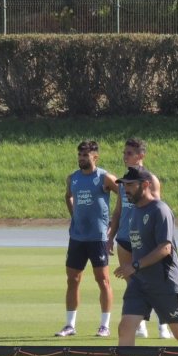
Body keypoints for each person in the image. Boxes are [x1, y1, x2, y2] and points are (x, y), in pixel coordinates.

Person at [91, 167, 178, 356]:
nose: (125, 190)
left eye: (130, 185)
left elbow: (165, 248)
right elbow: (132, 244)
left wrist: (134, 266)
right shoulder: (134, 212)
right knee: (126, 327)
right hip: (140, 283)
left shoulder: (160, 210)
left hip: (164, 283)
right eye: (124, 185)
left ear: (145, 185)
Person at [107, 138, 172, 339]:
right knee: (132, 283)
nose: (125, 156)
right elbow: (118, 211)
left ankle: (163, 325)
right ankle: (140, 325)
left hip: (144, 240)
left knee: (154, 283)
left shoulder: (150, 180)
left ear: (141, 155)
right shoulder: (123, 181)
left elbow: (156, 211)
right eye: (124, 153)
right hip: (125, 238)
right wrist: (110, 237)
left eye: (129, 153)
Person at [55, 140, 118, 337]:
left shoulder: (105, 178)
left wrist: (114, 223)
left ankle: (104, 325)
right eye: (80, 155)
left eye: (85, 155)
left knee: (103, 280)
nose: (81, 159)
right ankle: (70, 325)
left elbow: (124, 195)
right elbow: (68, 196)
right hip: (77, 237)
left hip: (98, 237)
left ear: (95, 157)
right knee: (73, 279)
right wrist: (74, 215)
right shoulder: (73, 178)